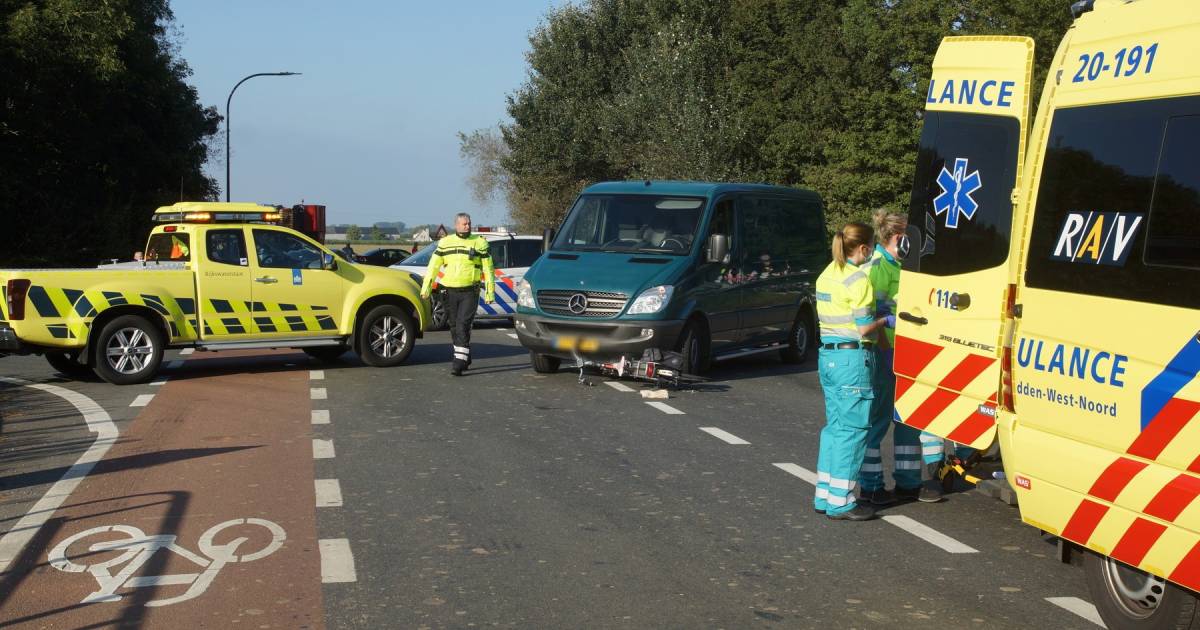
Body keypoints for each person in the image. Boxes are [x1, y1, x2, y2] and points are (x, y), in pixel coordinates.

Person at [858, 210, 940, 504]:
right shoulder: (878, 267)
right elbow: (873, 315)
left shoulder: (902, 265)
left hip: (906, 352)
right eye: (913, 239)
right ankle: (871, 485)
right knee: (877, 421)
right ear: (898, 238)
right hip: (885, 354)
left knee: (907, 419)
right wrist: (884, 350)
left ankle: (908, 483)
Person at [814, 222, 892, 521]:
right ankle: (842, 502)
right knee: (854, 431)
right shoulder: (858, 280)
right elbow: (864, 328)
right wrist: (887, 320)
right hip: (853, 360)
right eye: (870, 247)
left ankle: (825, 494)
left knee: (835, 428)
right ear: (863, 248)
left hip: (829, 358)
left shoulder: (827, 274)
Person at [420, 213, 495, 376]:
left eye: (469, 223)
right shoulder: (445, 243)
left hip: (470, 291)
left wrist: (490, 292)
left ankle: (458, 363)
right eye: (464, 224)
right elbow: (433, 266)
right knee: (454, 326)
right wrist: (426, 288)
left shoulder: (480, 243)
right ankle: (465, 355)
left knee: (462, 324)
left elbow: (488, 269)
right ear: (456, 225)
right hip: (449, 291)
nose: (467, 226)